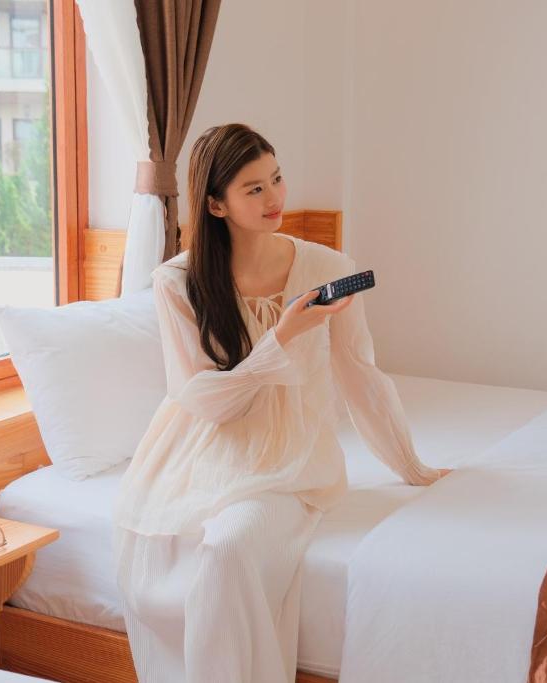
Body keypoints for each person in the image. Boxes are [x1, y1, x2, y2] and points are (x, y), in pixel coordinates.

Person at [112, 123, 450, 683]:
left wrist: (411, 467)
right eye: (254, 189)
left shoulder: (329, 269)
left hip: (288, 459)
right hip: (194, 453)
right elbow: (205, 400)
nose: (275, 199)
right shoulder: (177, 282)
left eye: (277, 179)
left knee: (226, 550)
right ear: (216, 204)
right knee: (193, 553)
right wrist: (284, 335)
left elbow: (359, 374)